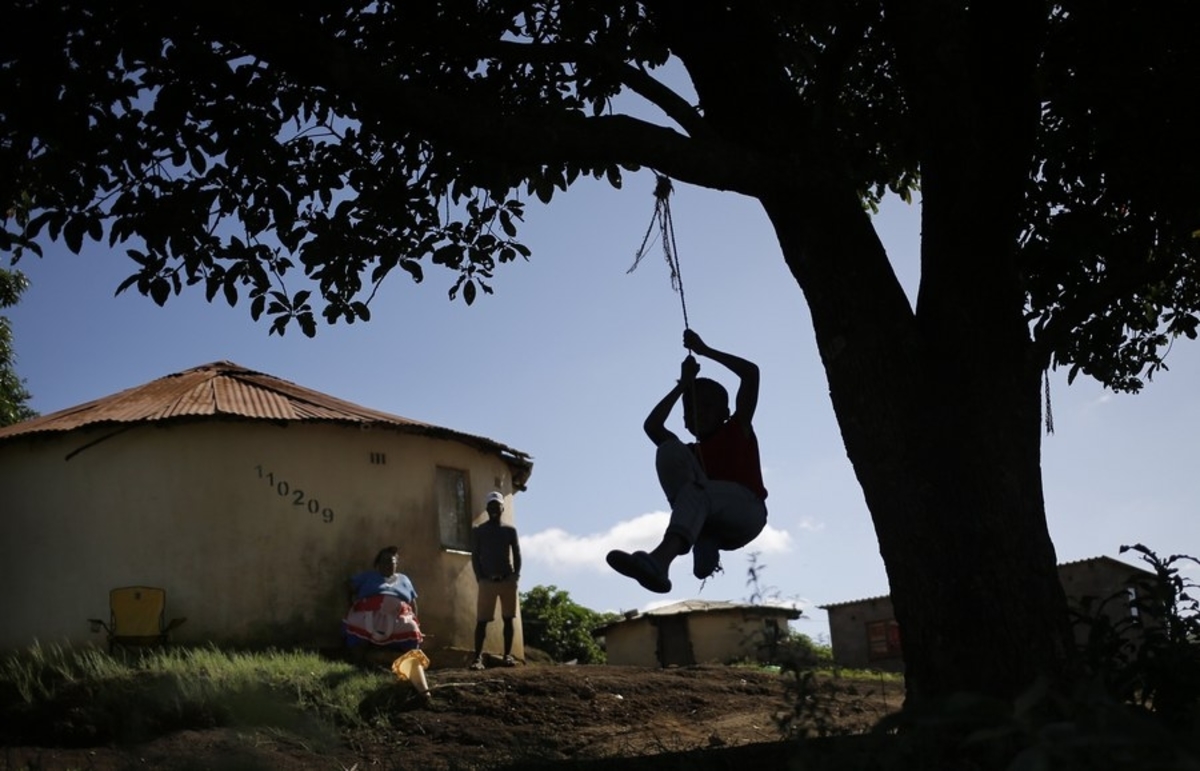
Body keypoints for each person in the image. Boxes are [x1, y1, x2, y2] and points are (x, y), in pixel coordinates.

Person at [606, 329, 768, 594]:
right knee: (669, 450)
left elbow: (751, 373)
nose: (696, 414)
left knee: (696, 491)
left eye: (706, 407)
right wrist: (683, 384)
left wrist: (705, 350)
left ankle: (660, 561)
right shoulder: (691, 454)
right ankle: (705, 538)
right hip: (711, 513)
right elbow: (653, 426)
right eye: (690, 409)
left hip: (747, 514)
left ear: (725, 412)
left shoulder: (738, 428)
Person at [470, 491, 522, 669]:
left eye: (497, 506)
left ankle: (508, 655)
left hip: (507, 579)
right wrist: (480, 577)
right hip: (487, 581)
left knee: (508, 618)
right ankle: (477, 659)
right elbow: (475, 556)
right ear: (486, 508)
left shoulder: (509, 530)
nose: (494, 509)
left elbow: (517, 554)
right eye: (491, 506)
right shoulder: (480, 531)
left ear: (502, 508)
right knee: (482, 620)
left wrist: (516, 576)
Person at [342, 546, 424, 652]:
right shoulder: (368, 576)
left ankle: (406, 661)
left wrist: (414, 619)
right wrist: (350, 604)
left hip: (398, 617)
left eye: (391, 561)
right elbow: (349, 586)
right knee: (355, 623)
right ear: (378, 564)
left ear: (396, 564)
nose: (387, 564)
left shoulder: (404, 579)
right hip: (368, 614)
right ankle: (359, 660)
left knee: (411, 628)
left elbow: (413, 602)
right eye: (384, 561)